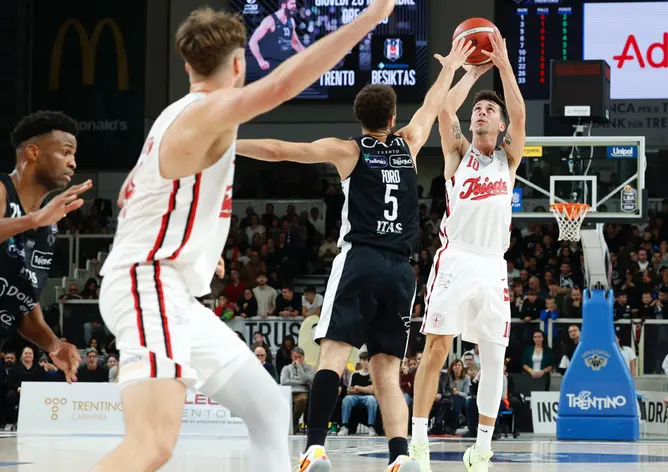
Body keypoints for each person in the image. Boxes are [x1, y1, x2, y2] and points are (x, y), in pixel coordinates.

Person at [93, 4, 397, 471]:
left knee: (269, 408)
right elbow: (281, 85)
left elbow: (131, 199)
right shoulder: (207, 111)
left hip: (170, 289)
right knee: (152, 444)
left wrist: (197, 251)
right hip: (147, 285)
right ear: (239, 64)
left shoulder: (173, 117)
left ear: (187, 62)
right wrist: (371, 16)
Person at [236, 38, 476, 472]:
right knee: (386, 369)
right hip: (402, 272)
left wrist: (226, 143)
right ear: (392, 117)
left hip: (360, 260)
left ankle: (314, 448)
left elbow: (279, 151)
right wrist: (454, 66)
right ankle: (401, 456)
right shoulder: (410, 141)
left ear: (360, 119)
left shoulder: (348, 151)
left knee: (333, 355)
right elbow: (433, 101)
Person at [410, 31, 527, 472]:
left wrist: (502, 66)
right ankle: (418, 441)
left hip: (493, 266)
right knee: (437, 348)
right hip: (456, 258)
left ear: (499, 127)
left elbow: (519, 111)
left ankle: (481, 448)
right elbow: (443, 109)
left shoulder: (507, 158)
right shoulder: (459, 152)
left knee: (494, 356)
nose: (481, 112)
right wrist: (465, 71)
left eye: (488, 110)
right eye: (478, 108)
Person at [0, 111, 87, 392]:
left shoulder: (47, 228)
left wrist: (53, 344)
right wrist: (34, 220)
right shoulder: (2, 191)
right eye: (65, 152)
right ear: (33, 152)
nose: (73, 162)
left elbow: (24, 302)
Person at [248, 0, 305, 71]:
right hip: (271, 65)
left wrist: (308, 55)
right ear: (283, 5)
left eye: (295, 3)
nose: (295, 6)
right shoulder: (270, 20)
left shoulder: (291, 21)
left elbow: (295, 43)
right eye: (292, 4)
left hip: (285, 64)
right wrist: (260, 60)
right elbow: (252, 41)